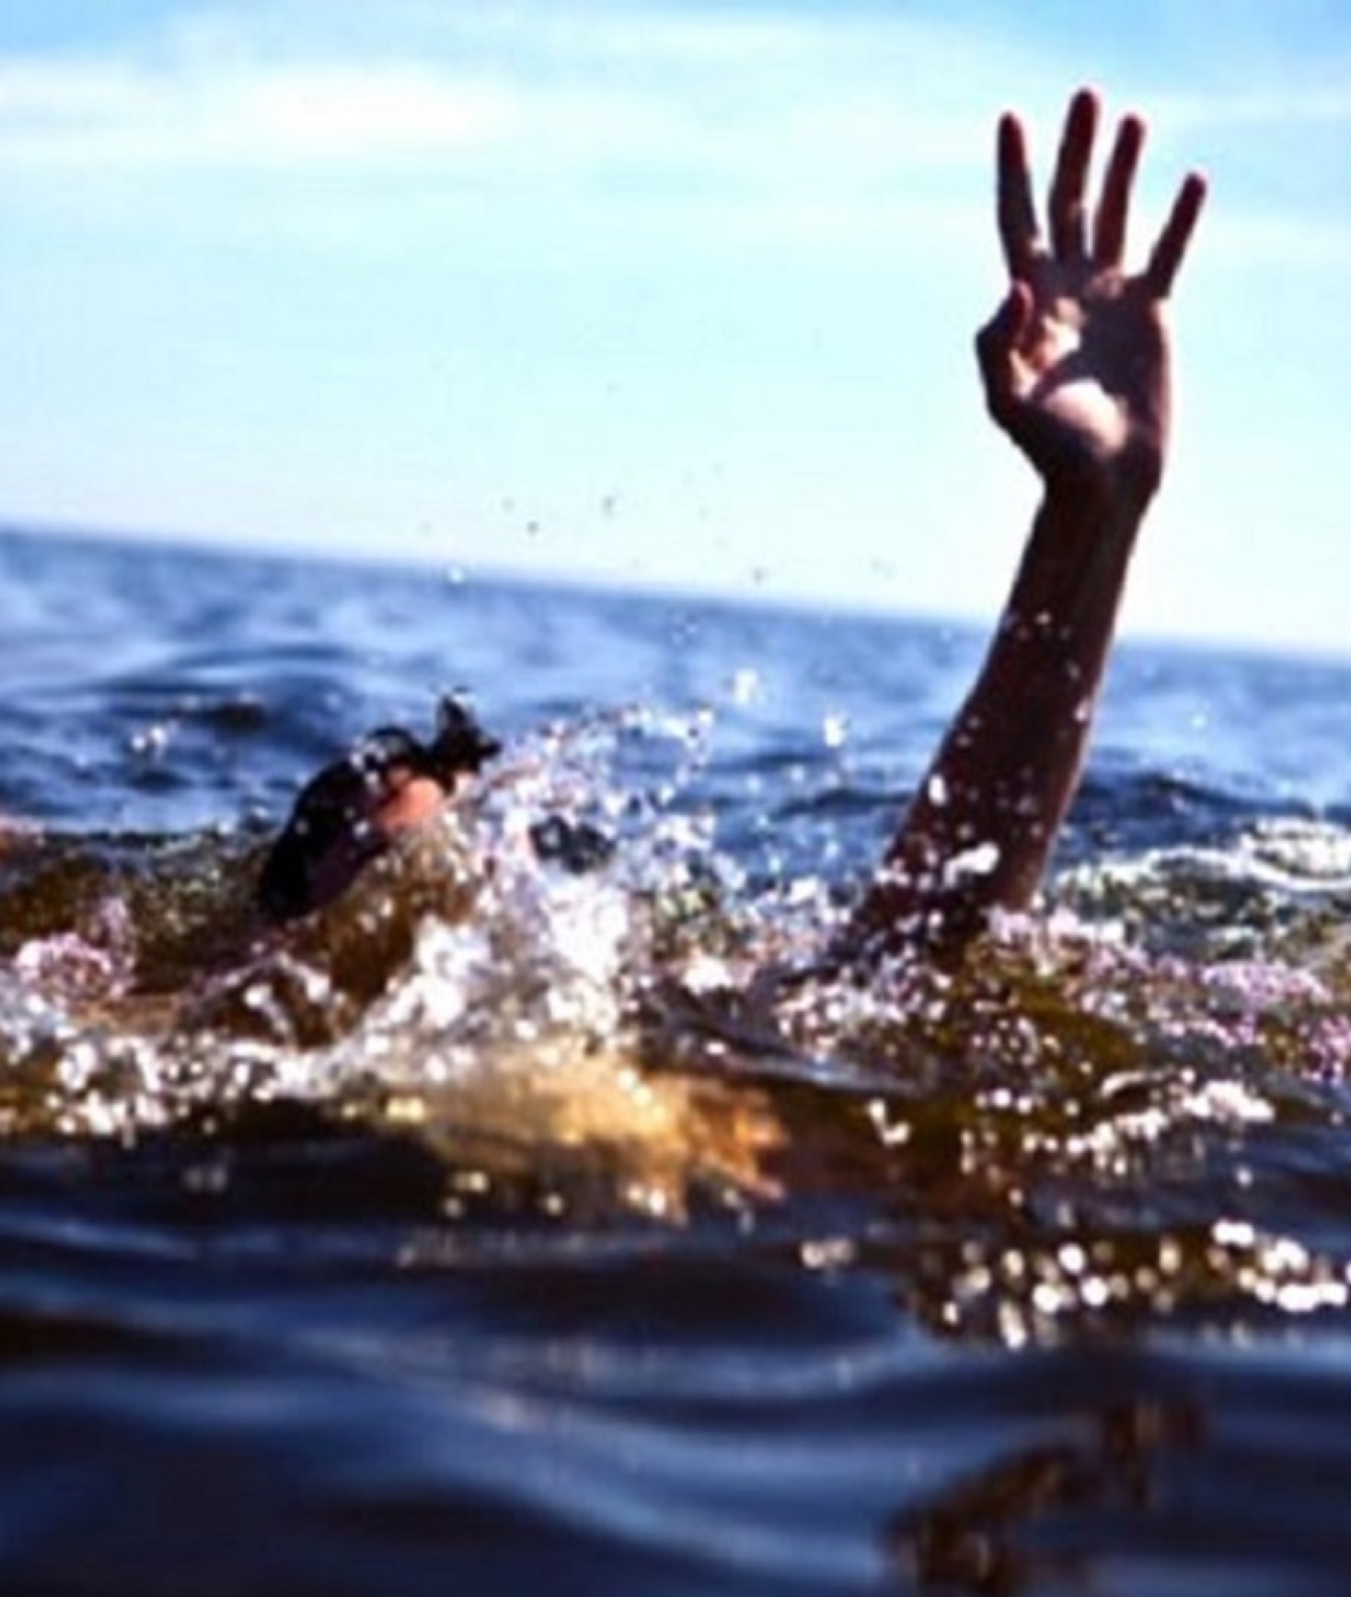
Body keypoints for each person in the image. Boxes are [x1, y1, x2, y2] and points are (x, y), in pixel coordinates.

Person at [257, 88, 1207, 965]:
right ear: (283, 935)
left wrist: (1093, 514)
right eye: (398, 866)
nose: (458, 880)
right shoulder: (237, 1036)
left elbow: (916, 947)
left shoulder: (648, 1012)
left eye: (469, 853)